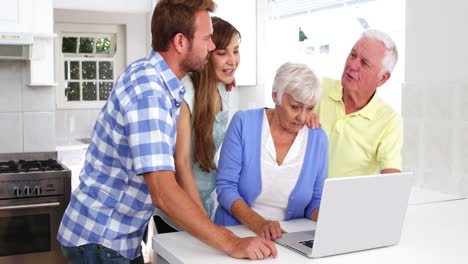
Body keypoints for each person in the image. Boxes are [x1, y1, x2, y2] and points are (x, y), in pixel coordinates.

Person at [57, 1, 277, 262]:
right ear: (181, 42)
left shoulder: (156, 79)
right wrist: (231, 242)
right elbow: (163, 191)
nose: (210, 46)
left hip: (113, 238)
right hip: (100, 241)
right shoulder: (150, 92)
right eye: (207, 38)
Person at [214, 62, 328, 241]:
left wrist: (331, 217)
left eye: (310, 108)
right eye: (296, 107)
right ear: (275, 96)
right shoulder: (244, 123)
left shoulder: (317, 138)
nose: (303, 117)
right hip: (235, 234)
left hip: (286, 238)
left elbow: (315, 200)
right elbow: (226, 188)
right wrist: (260, 224)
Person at [154, 16, 241, 233]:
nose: (232, 60)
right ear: (207, 54)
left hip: (205, 200)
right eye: (222, 53)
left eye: (236, 51)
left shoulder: (222, 89)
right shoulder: (185, 95)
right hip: (179, 211)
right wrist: (205, 224)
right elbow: (181, 165)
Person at [314, 29, 402, 178]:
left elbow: (391, 178)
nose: (352, 65)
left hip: (345, 200)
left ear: (382, 78)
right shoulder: (317, 87)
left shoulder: (389, 120)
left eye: (364, 63)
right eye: (353, 55)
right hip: (298, 197)